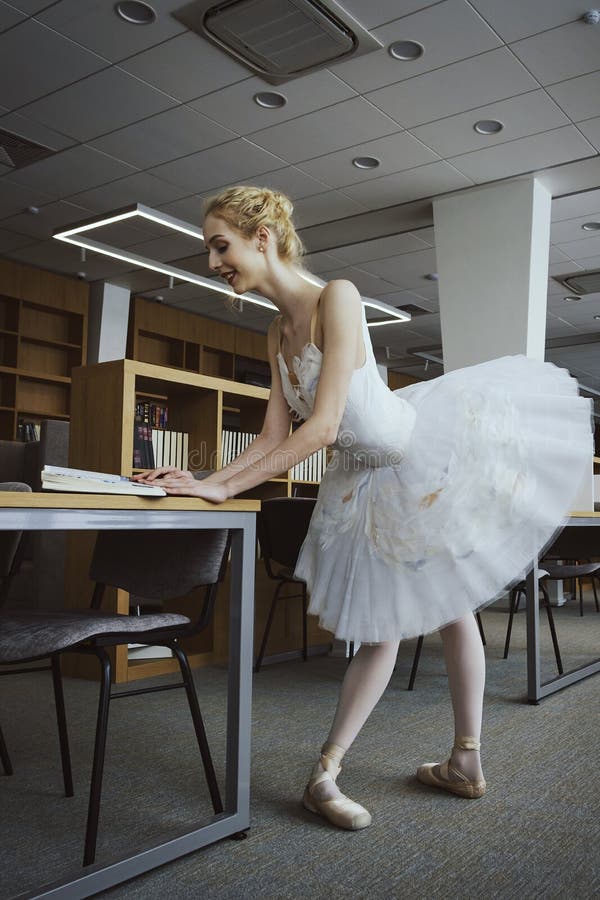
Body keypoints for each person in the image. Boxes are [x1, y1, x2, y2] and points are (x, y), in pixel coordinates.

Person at [136, 186, 593, 831]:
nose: (213, 262)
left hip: (414, 462)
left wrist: (225, 490)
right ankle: (391, 766)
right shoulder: (274, 331)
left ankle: (375, 765)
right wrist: (207, 478)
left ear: (261, 239)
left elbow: (320, 427)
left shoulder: (338, 298)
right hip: (363, 481)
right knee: (417, 619)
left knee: (438, 613)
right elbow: (271, 438)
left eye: (221, 246)